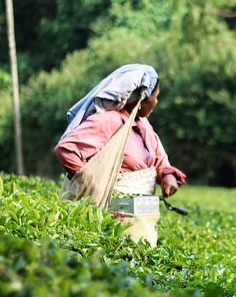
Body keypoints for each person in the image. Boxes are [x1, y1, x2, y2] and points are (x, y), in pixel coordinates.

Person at [54, 64, 186, 245]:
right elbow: (66, 149)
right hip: (115, 212)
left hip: (142, 213)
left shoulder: (144, 125)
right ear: (142, 100)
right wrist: (94, 184)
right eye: (155, 97)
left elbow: (159, 159)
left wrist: (167, 176)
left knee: (142, 263)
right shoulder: (108, 120)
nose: (156, 102)